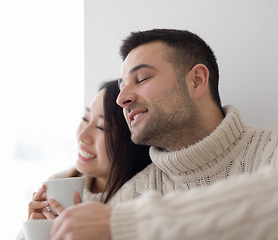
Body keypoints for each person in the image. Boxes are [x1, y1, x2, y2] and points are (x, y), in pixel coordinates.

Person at [50, 29, 278, 240]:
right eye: (122, 87)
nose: (121, 100)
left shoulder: (272, 150)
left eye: (141, 79)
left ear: (196, 81)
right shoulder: (131, 197)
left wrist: (128, 224)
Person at [15, 80, 151, 239]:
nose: (82, 136)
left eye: (101, 127)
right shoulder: (58, 183)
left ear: (132, 141)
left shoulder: (145, 206)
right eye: (85, 119)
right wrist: (33, 233)